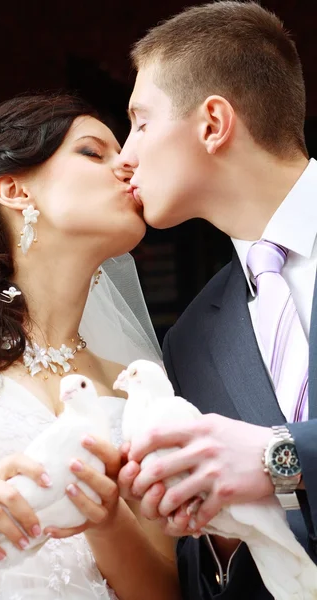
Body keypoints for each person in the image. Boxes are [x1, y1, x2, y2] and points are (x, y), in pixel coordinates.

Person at [0, 94, 180, 599]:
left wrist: (107, 523)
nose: (128, 162)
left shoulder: (135, 384)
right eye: (92, 152)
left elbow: (168, 591)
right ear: (14, 189)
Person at [116, 1, 317, 598]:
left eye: (140, 122)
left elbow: (266, 461)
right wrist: (218, 535)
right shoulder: (190, 341)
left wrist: (278, 458)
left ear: (212, 124)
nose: (126, 156)